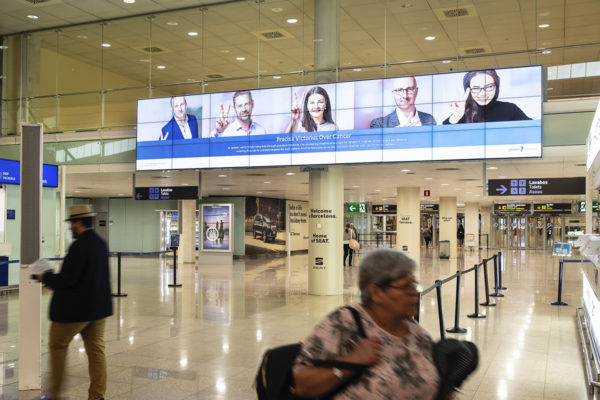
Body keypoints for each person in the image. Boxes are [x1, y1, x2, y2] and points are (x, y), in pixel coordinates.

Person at [292, 248, 441, 399]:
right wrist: (351, 362)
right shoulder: (343, 323)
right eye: (405, 286)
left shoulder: (418, 334)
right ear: (376, 292)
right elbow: (302, 385)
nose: (415, 292)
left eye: (414, 284)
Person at [36, 204, 113, 400]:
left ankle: (55, 394)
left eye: (71, 224)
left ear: (78, 222)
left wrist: (46, 277)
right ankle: (97, 396)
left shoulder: (79, 246)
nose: (70, 228)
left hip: (75, 311)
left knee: (57, 346)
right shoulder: (100, 243)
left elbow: (68, 279)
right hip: (98, 310)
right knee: (96, 351)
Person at [443, 69, 531, 124]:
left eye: (489, 87)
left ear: (496, 86)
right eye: (476, 88)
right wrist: (455, 118)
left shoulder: (510, 109)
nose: (483, 94)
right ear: (468, 90)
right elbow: (444, 131)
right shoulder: (463, 111)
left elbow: (532, 128)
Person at [370, 76, 436, 128]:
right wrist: (398, 134)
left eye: (409, 89)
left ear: (416, 91)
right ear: (393, 93)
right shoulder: (379, 124)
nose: (404, 95)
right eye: (399, 90)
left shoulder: (429, 119)